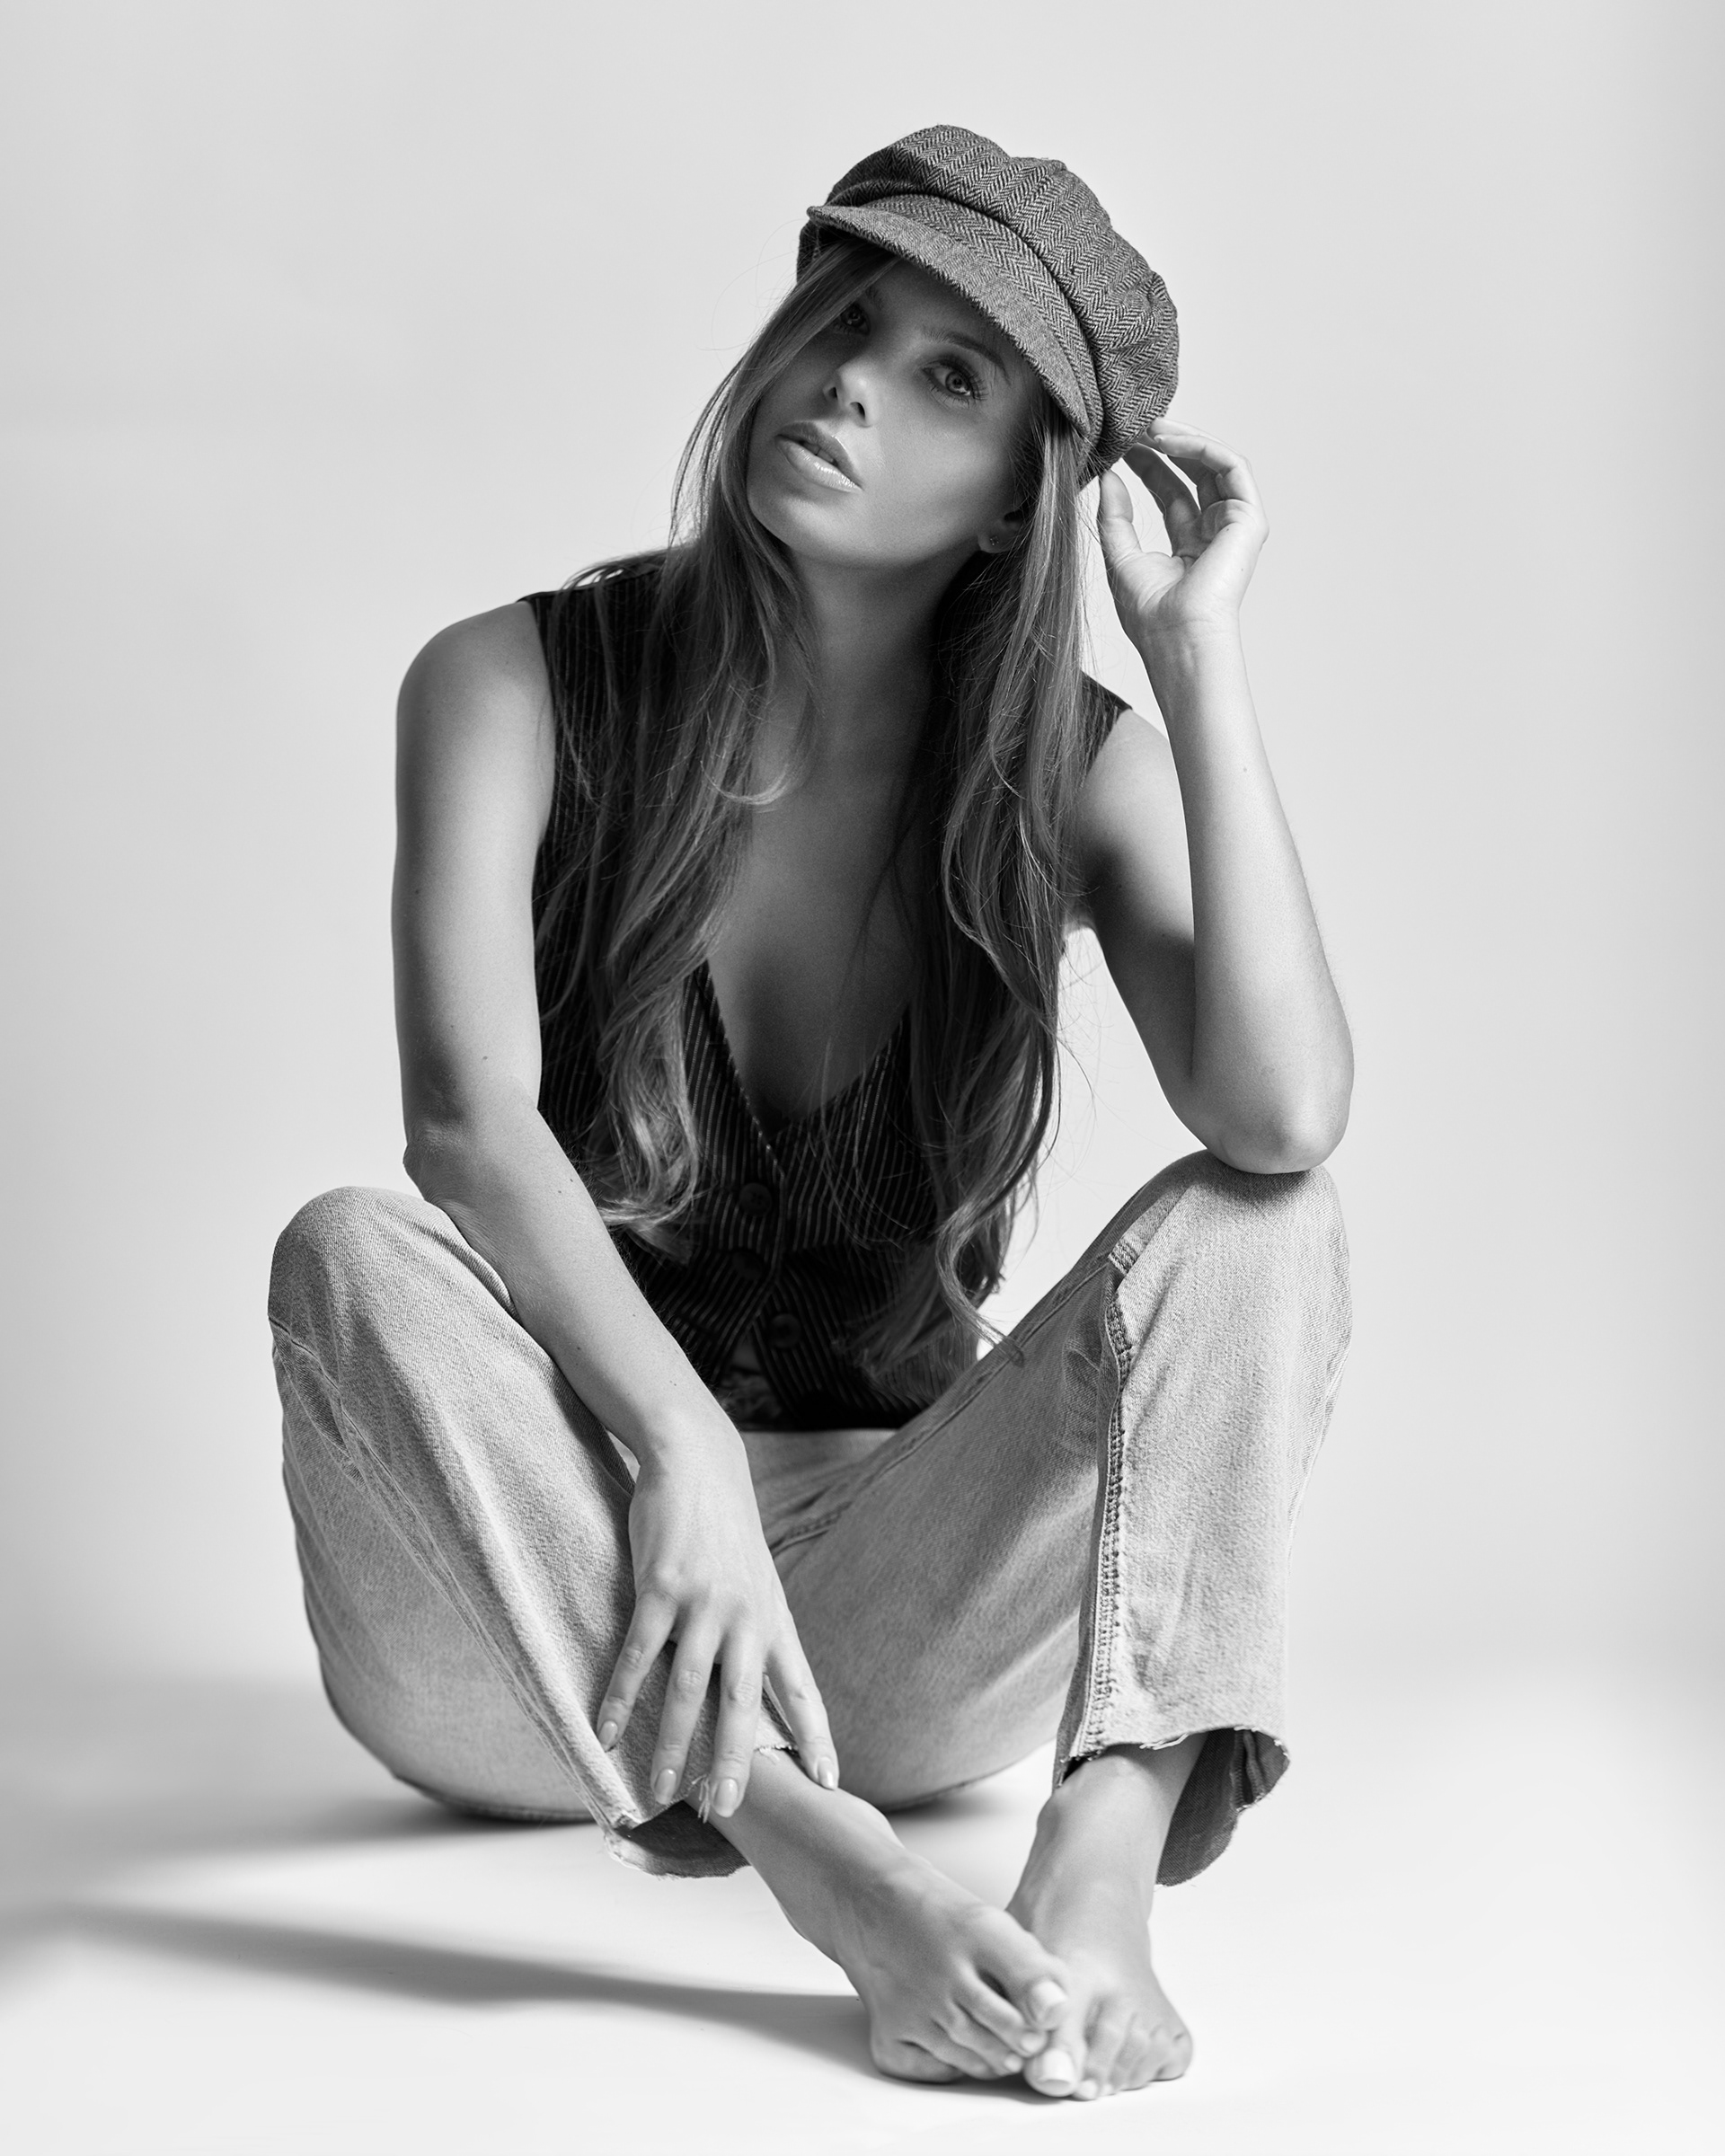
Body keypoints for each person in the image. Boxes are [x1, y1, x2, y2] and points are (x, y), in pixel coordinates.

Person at [268, 124, 1353, 2104]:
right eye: (847, 319)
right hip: (519, 1613)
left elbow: (1279, 1115)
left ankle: (1099, 1870)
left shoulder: (1067, 769)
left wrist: (1196, 662)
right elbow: (462, 1126)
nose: (849, 383)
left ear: (1022, 500)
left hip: (883, 1637)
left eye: (949, 376)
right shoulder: (505, 684)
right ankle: (822, 1867)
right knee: (347, 1252)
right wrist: (672, 1440)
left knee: (1264, 1216)